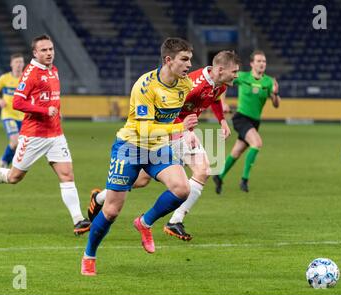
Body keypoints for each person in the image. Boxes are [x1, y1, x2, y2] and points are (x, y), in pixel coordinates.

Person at [87, 50, 241, 241]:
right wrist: (185, 132)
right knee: (147, 179)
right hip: (170, 131)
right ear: (219, 70)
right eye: (234, 71)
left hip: (182, 131)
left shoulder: (220, 85)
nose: (236, 75)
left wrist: (222, 121)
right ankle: (104, 199)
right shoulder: (193, 84)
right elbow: (170, 108)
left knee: (198, 171)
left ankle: (174, 220)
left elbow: (216, 99)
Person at [81, 37, 197, 276]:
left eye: (190, 60)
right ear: (168, 60)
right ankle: (89, 255)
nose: (188, 65)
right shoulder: (144, 86)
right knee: (112, 211)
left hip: (157, 147)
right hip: (130, 146)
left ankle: (144, 223)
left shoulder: (184, 85)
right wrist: (180, 129)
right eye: (184, 59)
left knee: (182, 188)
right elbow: (144, 130)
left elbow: (186, 107)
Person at [0, 34, 91, 236]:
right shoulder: (30, 74)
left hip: (56, 134)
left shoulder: (54, 70)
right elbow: (17, 102)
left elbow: (51, 98)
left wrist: (56, 111)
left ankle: (78, 221)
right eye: (44, 50)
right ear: (35, 53)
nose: (49, 53)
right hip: (34, 135)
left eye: (51, 49)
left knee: (67, 175)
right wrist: (44, 111)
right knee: (14, 177)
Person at [213, 50, 280, 193]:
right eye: (259, 61)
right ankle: (244, 180)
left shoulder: (268, 81)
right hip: (241, 118)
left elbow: (276, 104)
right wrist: (223, 103)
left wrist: (274, 93)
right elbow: (224, 83)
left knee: (236, 152)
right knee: (257, 143)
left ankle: (219, 176)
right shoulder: (242, 76)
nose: (262, 64)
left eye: (264, 61)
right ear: (252, 63)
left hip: (255, 121)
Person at [0, 53, 25, 168]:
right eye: (16, 62)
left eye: (21, 62)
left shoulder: (27, 79)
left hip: (24, 117)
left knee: (20, 145)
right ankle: (4, 161)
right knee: (15, 141)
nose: (19, 65)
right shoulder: (4, 78)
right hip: (8, 115)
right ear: (11, 64)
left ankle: (8, 163)